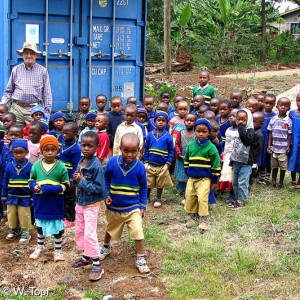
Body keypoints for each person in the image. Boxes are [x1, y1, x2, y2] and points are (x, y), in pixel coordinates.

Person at [100, 133, 149, 274]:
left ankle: (140, 257)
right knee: (110, 228)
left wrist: (142, 206)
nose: (129, 154)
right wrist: (107, 193)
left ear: (139, 150)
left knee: (137, 230)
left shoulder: (140, 167)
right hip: (114, 205)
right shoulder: (112, 162)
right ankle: (106, 246)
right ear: (120, 148)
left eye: (134, 151)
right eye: (126, 150)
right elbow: (106, 178)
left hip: (132, 207)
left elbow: (144, 187)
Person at [71, 131, 107, 281]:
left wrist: (81, 181)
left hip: (91, 204)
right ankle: (86, 256)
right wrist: (75, 179)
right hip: (80, 203)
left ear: (97, 147)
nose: (86, 148)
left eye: (90, 146)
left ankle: (97, 263)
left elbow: (99, 188)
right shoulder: (81, 161)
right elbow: (78, 179)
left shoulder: (96, 166)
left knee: (89, 233)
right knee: (80, 229)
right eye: (83, 145)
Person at [29, 136, 69, 261]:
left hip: (55, 202)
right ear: (41, 151)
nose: (50, 152)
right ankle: (39, 247)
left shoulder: (61, 166)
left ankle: (58, 250)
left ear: (57, 151)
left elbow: (66, 184)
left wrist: (49, 189)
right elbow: (31, 180)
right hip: (40, 202)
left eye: (53, 150)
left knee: (57, 226)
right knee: (40, 225)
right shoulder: (36, 165)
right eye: (46, 150)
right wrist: (34, 186)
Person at [1, 42, 52, 125]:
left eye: (31, 53)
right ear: (22, 55)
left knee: (34, 135)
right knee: (15, 134)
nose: (29, 56)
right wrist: (2, 105)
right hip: (16, 109)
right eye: (26, 53)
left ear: (36, 55)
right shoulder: (16, 69)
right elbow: (8, 91)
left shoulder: (43, 71)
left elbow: (47, 94)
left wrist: (46, 115)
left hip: (34, 110)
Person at [184, 119, 220, 230]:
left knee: (202, 198)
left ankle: (203, 219)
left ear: (208, 132)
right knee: (190, 196)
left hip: (205, 179)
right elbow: (186, 161)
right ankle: (192, 216)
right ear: (194, 131)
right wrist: (188, 172)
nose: (200, 134)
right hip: (192, 177)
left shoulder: (211, 148)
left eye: (204, 132)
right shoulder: (190, 146)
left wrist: (214, 180)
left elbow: (216, 165)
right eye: (198, 131)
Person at [2, 139, 33, 243]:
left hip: (25, 196)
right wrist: (4, 196)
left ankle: (25, 231)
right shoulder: (9, 166)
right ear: (12, 152)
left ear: (26, 152)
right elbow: (5, 181)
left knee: (24, 214)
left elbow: (32, 182)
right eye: (16, 152)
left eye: (21, 152)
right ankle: (14, 229)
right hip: (11, 195)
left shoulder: (30, 166)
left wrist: (32, 197)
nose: (18, 155)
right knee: (11, 214)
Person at [144, 111, 174, 208]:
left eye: (163, 121)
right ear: (155, 121)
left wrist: (168, 163)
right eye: (158, 120)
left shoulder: (168, 136)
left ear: (166, 123)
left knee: (160, 182)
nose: (161, 122)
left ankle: (158, 198)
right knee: (149, 181)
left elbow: (171, 151)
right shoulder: (150, 135)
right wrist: (145, 162)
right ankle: (147, 196)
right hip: (150, 163)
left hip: (162, 165)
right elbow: (146, 148)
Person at [229, 108, 255, 209]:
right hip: (236, 160)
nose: (240, 122)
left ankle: (242, 200)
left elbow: (246, 141)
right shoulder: (236, 131)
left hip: (245, 161)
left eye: (243, 120)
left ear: (248, 120)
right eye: (238, 119)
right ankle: (237, 198)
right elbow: (234, 147)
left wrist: (240, 127)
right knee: (235, 182)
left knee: (242, 181)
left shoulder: (250, 131)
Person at [59, 122, 81, 228]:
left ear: (75, 134)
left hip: (69, 180)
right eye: (63, 133)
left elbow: (76, 165)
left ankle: (71, 218)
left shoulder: (75, 148)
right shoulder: (63, 145)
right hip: (62, 178)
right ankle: (64, 216)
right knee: (62, 198)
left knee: (70, 199)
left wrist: (72, 180)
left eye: (67, 133)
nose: (64, 135)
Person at [267, 97, 292, 189]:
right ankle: (273, 181)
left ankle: (280, 182)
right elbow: (270, 133)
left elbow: (289, 134)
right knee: (274, 166)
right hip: (274, 147)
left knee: (282, 167)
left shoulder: (289, 121)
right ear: (277, 106)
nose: (283, 107)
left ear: (289, 108)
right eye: (281, 105)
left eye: (285, 106)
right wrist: (269, 145)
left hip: (283, 148)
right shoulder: (273, 119)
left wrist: (288, 146)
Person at [0, 125, 23, 221]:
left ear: (21, 136)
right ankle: (7, 217)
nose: (13, 137)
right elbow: (1, 159)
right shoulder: (6, 147)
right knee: (4, 193)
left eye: (16, 135)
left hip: (16, 177)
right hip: (4, 176)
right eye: (11, 135)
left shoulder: (22, 149)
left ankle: (19, 218)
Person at [219, 109, 239, 202]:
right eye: (230, 116)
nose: (231, 118)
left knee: (235, 174)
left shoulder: (241, 131)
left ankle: (235, 194)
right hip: (228, 155)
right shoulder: (228, 130)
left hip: (237, 156)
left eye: (234, 116)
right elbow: (227, 143)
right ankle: (230, 193)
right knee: (229, 174)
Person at [175, 113, 196, 197]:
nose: (189, 122)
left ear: (195, 122)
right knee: (180, 172)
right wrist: (179, 153)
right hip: (181, 156)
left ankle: (188, 189)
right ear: (184, 121)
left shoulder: (196, 134)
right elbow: (177, 144)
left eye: (192, 121)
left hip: (191, 156)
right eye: (187, 120)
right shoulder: (181, 132)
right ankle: (180, 189)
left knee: (189, 173)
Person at [257, 94, 276, 185]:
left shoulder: (275, 116)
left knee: (268, 158)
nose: (268, 105)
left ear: (274, 104)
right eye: (266, 103)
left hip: (270, 140)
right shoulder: (260, 115)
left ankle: (267, 177)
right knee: (260, 157)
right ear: (263, 103)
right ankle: (262, 176)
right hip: (260, 139)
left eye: (271, 103)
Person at [249, 112, 264, 194]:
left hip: (253, 159)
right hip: (247, 157)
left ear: (261, 123)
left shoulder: (259, 135)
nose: (252, 123)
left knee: (251, 174)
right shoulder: (250, 131)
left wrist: (255, 161)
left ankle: (249, 189)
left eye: (255, 122)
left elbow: (258, 149)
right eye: (252, 121)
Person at [288, 93, 300, 188]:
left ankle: (299, 180)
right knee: (292, 159)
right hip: (292, 141)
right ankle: (293, 179)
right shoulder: (292, 114)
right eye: (298, 101)